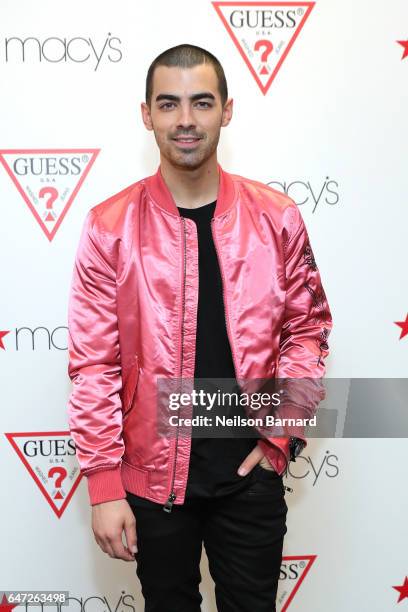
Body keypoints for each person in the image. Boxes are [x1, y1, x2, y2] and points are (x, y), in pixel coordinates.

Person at [67, 43, 333, 611]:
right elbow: (93, 366)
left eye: (201, 103)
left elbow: (307, 331)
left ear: (227, 111)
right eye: (168, 104)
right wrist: (103, 484)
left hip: (249, 477)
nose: (185, 120)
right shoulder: (109, 227)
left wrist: (279, 434)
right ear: (147, 116)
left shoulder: (276, 216)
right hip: (151, 481)